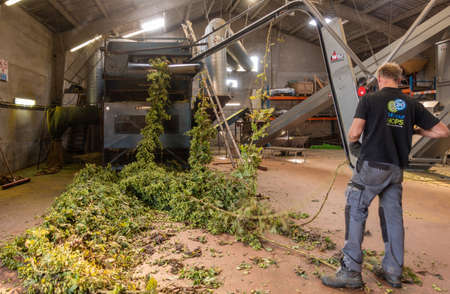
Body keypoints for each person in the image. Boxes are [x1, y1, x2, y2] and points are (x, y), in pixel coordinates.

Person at [321, 62, 450, 289]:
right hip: (396, 169)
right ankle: (392, 272)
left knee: (355, 208)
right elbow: (442, 131)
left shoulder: (370, 100)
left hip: (372, 166)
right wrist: (415, 129)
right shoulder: (412, 104)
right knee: (392, 218)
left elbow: (354, 134)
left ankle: (350, 271)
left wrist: (358, 143)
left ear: (380, 77)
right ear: (399, 79)